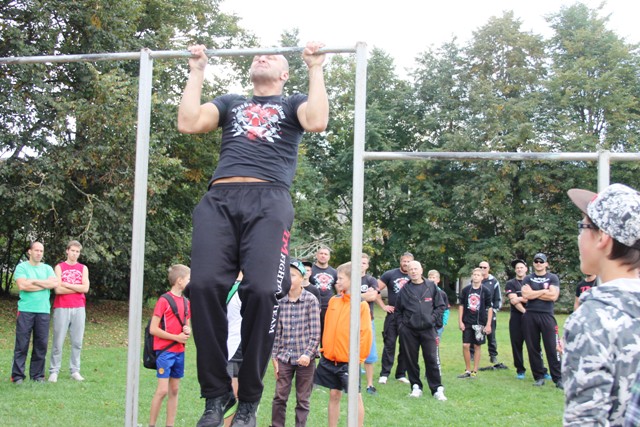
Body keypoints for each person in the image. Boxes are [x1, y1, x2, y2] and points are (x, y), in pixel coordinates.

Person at [178, 40, 329, 427]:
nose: (262, 56)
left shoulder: (292, 103)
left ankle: (248, 399)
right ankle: (216, 394)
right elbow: (189, 122)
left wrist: (315, 67)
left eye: (272, 56)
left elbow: (317, 121)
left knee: (262, 290)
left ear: (284, 73)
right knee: (204, 287)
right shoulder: (231, 103)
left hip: (269, 201)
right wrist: (197, 70)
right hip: (220, 200)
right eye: (258, 54)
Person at [564, 183, 640, 425]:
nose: (579, 237)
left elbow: (584, 420)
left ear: (603, 237)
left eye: (582, 227)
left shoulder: (592, 320)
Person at [314, 261, 372, 427]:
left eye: (340, 278)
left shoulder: (361, 305)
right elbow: (328, 327)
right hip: (330, 359)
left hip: (349, 362)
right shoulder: (334, 300)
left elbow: (365, 334)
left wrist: (357, 359)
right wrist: (325, 349)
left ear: (352, 280)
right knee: (334, 394)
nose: (337, 281)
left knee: (355, 397)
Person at [270, 259, 320, 427]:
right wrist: (275, 356)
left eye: (292, 275)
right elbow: (276, 333)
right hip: (284, 357)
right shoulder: (279, 300)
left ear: (302, 278)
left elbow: (315, 333)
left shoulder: (310, 300)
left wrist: (307, 354)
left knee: (303, 400)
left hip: (305, 359)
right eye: (286, 275)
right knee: (279, 397)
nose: (288, 278)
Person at [396, 260, 447, 401]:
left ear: (421, 270)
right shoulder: (404, 289)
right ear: (407, 272)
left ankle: (437, 389)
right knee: (411, 360)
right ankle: (416, 387)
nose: (413, 271)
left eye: (415, 269)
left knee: (431, 359)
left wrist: (432, 319)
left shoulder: (431, 286)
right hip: (409, 331)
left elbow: (440, 306)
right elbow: (398, 311)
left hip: (428, 330)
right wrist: (402, 327)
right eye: (410, 269)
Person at [148, 264, 192, 427]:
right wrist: (176, 337)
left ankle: (170, 424)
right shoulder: (163, 300)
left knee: (174, 390)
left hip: (179, 351)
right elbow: (153, 329)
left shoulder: (187, 302)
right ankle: (151, 424)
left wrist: (187, 330)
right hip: (165, 352)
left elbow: (187, 325)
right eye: (189, 279)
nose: (190, 282)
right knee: (162, 390)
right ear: (180, 280)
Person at [11, 241, 59, 384]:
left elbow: (54, 284)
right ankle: (17, 376)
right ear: (30, 252)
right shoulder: (22, 267)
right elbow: (22, 285)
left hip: (43, 311)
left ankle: (37, 375)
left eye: (41, 251)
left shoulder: (47, 268)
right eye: (36, 250)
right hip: (25, 310)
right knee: (22, 344)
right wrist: (44, 284)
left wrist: (34, 282)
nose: (39, 253)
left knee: (41, 344)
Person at [48, 240, 90, 383]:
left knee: (77, 341)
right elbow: (58, 290)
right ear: (67, 251)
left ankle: (75, 370)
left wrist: (67, 284)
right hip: (62, 307)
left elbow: (85, 288)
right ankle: (54, 371)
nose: (75, 254)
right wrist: (77, 288)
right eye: (72, 251)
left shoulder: (83, 268)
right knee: (58, 341)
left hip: (79, 307)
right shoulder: (59, 267)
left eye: (77, 252)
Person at [521, 253, 562, 389]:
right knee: (533, 348)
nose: (539, 263)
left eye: (541, 261)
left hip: (547, 316)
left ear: (546, 264)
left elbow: (553, 296)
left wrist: (534, 293)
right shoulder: (528, 278)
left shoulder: (552, 277)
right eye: (536, 261)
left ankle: (558, 378)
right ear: (533, 263)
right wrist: (544, 291)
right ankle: (539, 377)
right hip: (530, 315)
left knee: (552, 347)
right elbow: (526, 295)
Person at [376, 252, 413, 385]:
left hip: (408, 317)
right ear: (400, 261)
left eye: (408, 261)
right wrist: (383, 306)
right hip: (393, 315)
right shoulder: (390, 274)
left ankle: (401, 374)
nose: (406, 264)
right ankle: (384, 374)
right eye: (404, 261)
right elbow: (375, 290)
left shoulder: (415, 276)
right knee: (389, 344)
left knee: (405, 346)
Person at [457, 268, 493, 379]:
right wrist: (460, 321)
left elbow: (489, 308)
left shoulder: (486, 291)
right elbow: (461, 305)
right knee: (465, 345)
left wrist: (488, 324)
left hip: (480, 322)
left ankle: (475, 370)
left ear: (482, 277)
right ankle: (467, 369)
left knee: (477, 345)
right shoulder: (466, 290)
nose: (476, 276)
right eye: (474, 274)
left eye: (478, 275)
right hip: (467, 321)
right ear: (472, 276)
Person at [359, 253, 380, 395]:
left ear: (367, 265)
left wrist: (355, 296)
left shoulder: (371, 280)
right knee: (349, 352)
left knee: (369, 353)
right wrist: (364, 296)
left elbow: (373, 296)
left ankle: (370, 384)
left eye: (364, 263)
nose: (361, 265)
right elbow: (343, 296)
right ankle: (349, 383)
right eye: (359, 262)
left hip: (367, 320)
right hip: (349, 320)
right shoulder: (349, 278)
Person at [504, 259, 528, 380]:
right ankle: (520, 370)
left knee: (534, 345)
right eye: (517, 268)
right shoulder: (510, 283)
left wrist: (520, 298)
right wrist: (525, 311)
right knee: (517, 344)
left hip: (531, 318)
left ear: (526, 269)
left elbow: (535, 298)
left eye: (521, 267)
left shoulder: (531, 282)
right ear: (515, 270)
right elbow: (513, 301)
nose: (519, 269)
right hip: (516, 318)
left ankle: (540, 370)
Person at [475, 261, 501, 364]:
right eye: (480, 267)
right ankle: (472, 353)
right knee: (475, 333)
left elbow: (497, 298)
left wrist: (494, 310)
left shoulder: (494, 281)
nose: (482, 269)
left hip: (489, 312)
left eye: (484, 267)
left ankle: (493, 355)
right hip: (476, 312)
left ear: (489, 268)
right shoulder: (474, 281)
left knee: (491, 335)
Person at [309, 246, 338, 342]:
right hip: (313, 306)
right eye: (321, 253)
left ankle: (325, 351)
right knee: (311, 334)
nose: (323, 256)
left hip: (329, 307)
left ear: (329, 257)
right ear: (317, 255)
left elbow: (339, 290)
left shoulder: (334, 272)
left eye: (326, 254)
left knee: (327, 335)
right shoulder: (310, 270)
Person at [427, 270, 450, 338]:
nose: (431, 279)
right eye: (430, 277)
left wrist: (444, 323)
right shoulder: (424, 292)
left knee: (435, 343)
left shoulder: (442, 294)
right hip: (426, 323)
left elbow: (446, 310)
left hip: (438, 325)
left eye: (433, 277)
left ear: (438, 280)